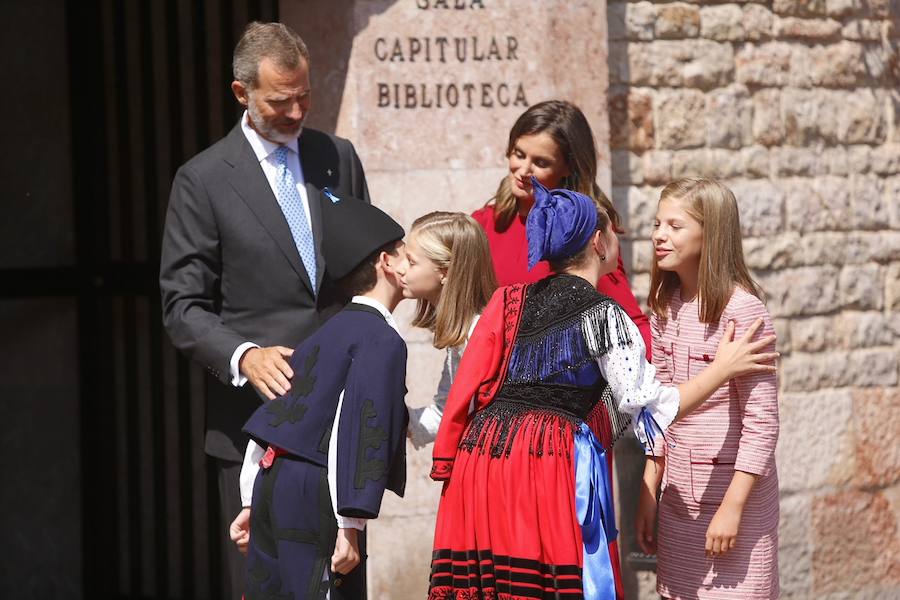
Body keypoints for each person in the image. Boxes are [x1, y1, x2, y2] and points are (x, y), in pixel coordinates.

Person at [427, 180, 778, 599]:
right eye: (648, 225)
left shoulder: (507, 299)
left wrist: (447, 459)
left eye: (673, 225)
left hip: (483, 462)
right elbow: (650, 403)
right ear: (598, 241)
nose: (652, 235)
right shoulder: (609, 315)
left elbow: (467, 386)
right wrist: (721, 369)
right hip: (543, 465)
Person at [159, 21, 370, 599]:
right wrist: (244, 356)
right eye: (281, 101)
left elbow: (366, 273)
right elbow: (182, 306)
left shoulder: (338, 158)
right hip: (254, 430)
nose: (298, 112)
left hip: (337, 426)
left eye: (306, 96)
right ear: (241, 93)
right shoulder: (202, 181)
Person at [230, 194, 408, 599]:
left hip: (272, 483)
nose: (411, 265)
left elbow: (277, 417)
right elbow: (359, 427)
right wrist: (352, 523)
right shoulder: (381, 338)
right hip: (316, 491)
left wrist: (249, 498)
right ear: (386, 263)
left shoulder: (323, 333)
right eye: (406, 256)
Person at [634, 179, 780, 599]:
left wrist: (733, 508)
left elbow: (762, 423)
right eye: (657, 223)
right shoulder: (665, 306)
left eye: (675, 226)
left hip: (735, 504)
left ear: (710, 233)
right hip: (680, 501)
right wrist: (650, 486)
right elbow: (659, 408)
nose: (659, 235)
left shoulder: (744, 310)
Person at [471, 100, 651, 355]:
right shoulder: (483, 224)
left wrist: (666, 381)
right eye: (518, 154)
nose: (523, 170)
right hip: (491, 383)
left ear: (568, 167)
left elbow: (628, 320)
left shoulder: (586, 231)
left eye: (541, 162)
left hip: (556, 385)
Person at [396, 212, 498, 449]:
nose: (401, 269)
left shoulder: (477, 333)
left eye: (411, 262)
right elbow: (446, 410)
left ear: (445, 272)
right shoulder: (464, 331)